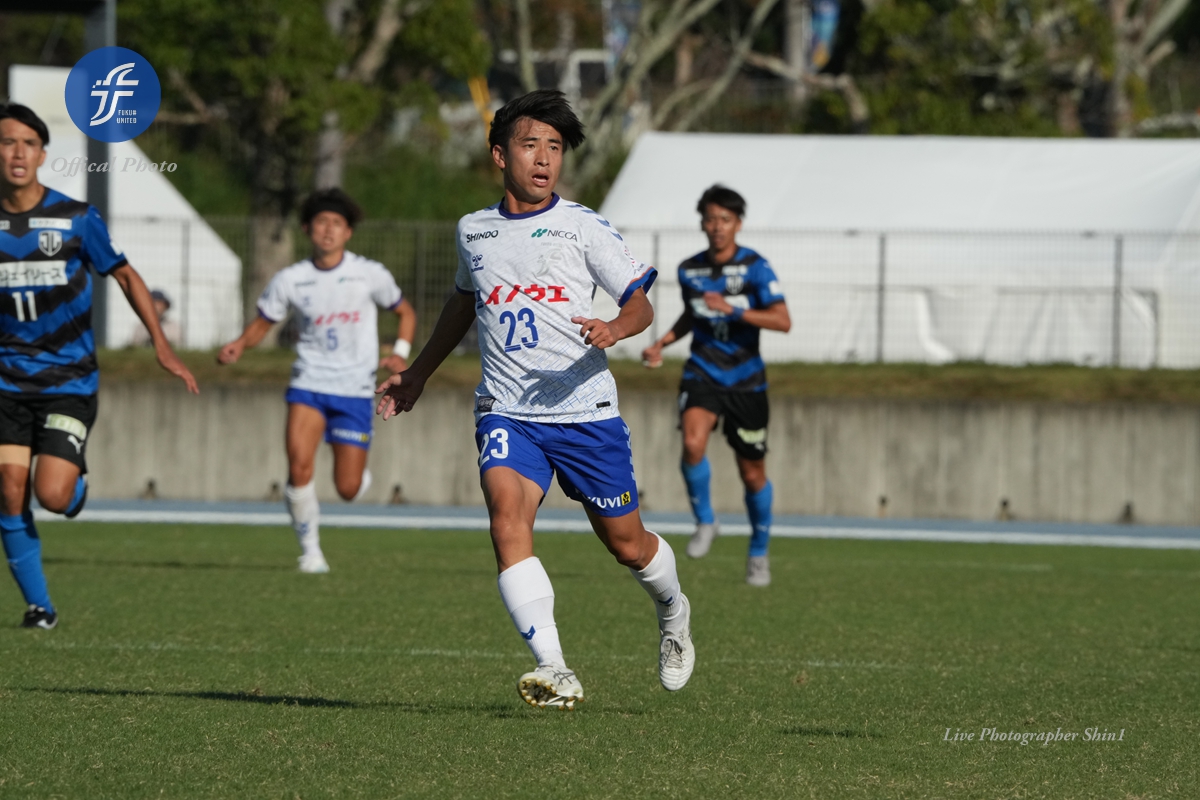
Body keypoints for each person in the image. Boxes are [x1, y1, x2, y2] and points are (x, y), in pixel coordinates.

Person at [376, 89, 695, 709]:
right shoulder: (474, 230)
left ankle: (673, 610)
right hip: (507, 410)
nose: (545, 158)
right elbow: (464, 303)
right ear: (500, 155)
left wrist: (616, 328)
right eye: (531, 145)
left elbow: (640, 304)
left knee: (627, 544)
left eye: (554, 147)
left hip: (584, 413)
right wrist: (417, 374)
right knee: (506, 519)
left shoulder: (582, 226)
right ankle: (554, 666)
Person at [0, 104, 199, 629]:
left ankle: (74, 486)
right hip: (6, 383)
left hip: (68, 380)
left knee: (52, 495)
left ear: (42, 154)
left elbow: (127, 276)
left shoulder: (76, 218)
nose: (17, 153)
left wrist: (161, 344)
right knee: (9, 488)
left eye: (27, 143)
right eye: (6, 142)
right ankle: (40, 607)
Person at [218, 188, 415, 574]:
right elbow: (264, 322)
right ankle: (310, 552)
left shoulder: (369, 273)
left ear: (348, 232)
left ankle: (357, 475)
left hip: (355, 390)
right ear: (308, 229)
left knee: (347, 488)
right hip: (308, 384)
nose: (328, 230)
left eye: (336, 224)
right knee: (299, 466)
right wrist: (240, 344)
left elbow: (405, 312)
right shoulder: (291, 279)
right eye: (321, 222)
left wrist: (401, 353)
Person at [641, 185, 791, 587]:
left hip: (746, 381)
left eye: (725, 219)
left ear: (738, 224)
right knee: (692, 444)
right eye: (710, 219)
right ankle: (706, 521)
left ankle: (758, 550)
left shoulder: (756, 267)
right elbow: (692, 316)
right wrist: (662, 343)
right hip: (702, 372)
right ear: (702, 224)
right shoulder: (689, 270)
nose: (717, 227)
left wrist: (734, 310)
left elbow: (783, 321)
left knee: (752, 474)